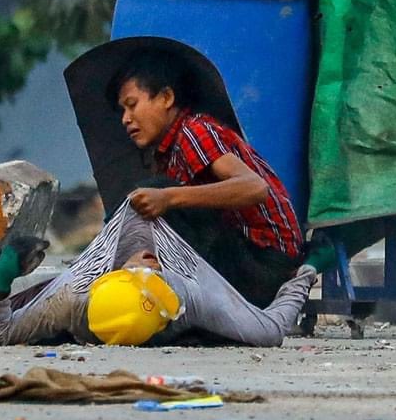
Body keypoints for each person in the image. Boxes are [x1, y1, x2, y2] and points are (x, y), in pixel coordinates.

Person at [106, 49, 305, 308]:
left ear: (166, 97)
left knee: (157, 191)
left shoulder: (194, 131)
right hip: (243, 259)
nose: (126, 119)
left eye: (132, 105)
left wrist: (168, 198)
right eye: (122, 110)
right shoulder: (167, 155)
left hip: (265, 263)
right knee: (143, 204)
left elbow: (255, 187)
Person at [0, 201, 316, 347]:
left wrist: (2, 282)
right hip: (169, 248)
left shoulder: (73, 297)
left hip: (178, 230)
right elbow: (270, 330)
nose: (146, 264)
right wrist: (307, 272)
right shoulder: (183, 296)